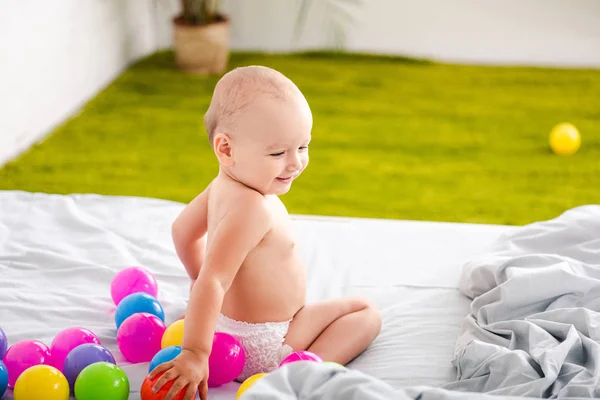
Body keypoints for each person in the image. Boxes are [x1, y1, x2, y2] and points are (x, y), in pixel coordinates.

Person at [149, 65, 382, 400]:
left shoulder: (220, 187)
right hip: (267, 340)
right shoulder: (253, 208)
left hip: (224, 335)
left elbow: (182, 231)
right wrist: (195, 353)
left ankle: (240, 343)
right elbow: (213, 281)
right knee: (365, 312)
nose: (296, 163)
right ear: (226, 149)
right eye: (278, 153)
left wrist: (200, 291)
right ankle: (302, 369)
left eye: (303, 146)